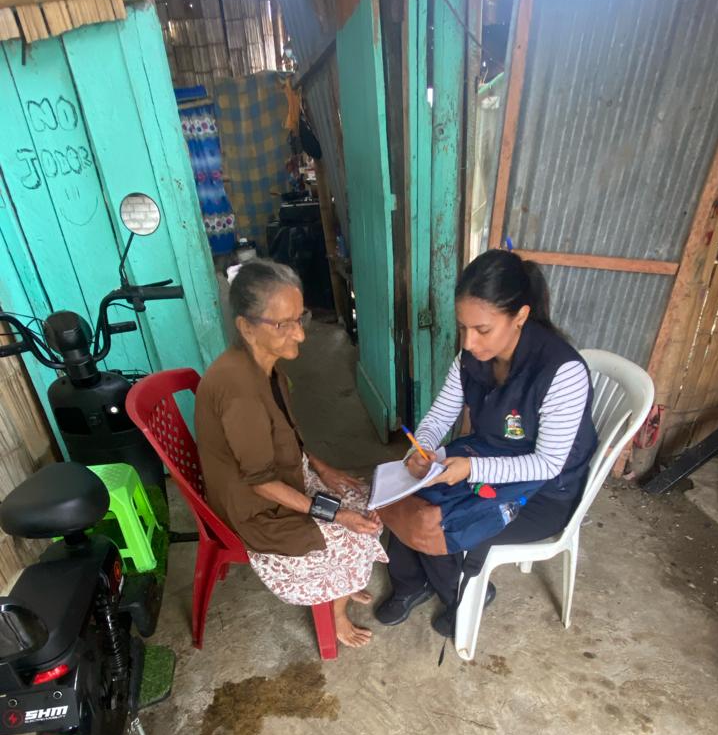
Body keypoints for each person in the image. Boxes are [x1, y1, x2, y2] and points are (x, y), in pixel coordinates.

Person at [374, 248, 598, 636]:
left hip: (545, 492)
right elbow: (441, 414)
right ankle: (411, 583)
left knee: (438, 520)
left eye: (482, 330)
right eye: (463, 327)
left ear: (520, 316)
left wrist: (470, 468)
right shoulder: (472, 357)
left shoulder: (562, 372)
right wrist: (421, 448)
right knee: (403, 492)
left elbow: (547, 464)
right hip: (489, 455)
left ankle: (459, 594)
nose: (469, 342)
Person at [195, 259, 386, 648]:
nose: (299, 333)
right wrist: (336, 515)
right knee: (349, 533)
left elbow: (286, 432)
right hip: (257, 508)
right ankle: (336, 611)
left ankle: (344, 581)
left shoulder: (266, 367)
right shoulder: (239, 392)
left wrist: (322, 467)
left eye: (300, 318)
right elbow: (261, 482)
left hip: (282, 476)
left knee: (366, 501)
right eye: (283, 324)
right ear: (246, 326)